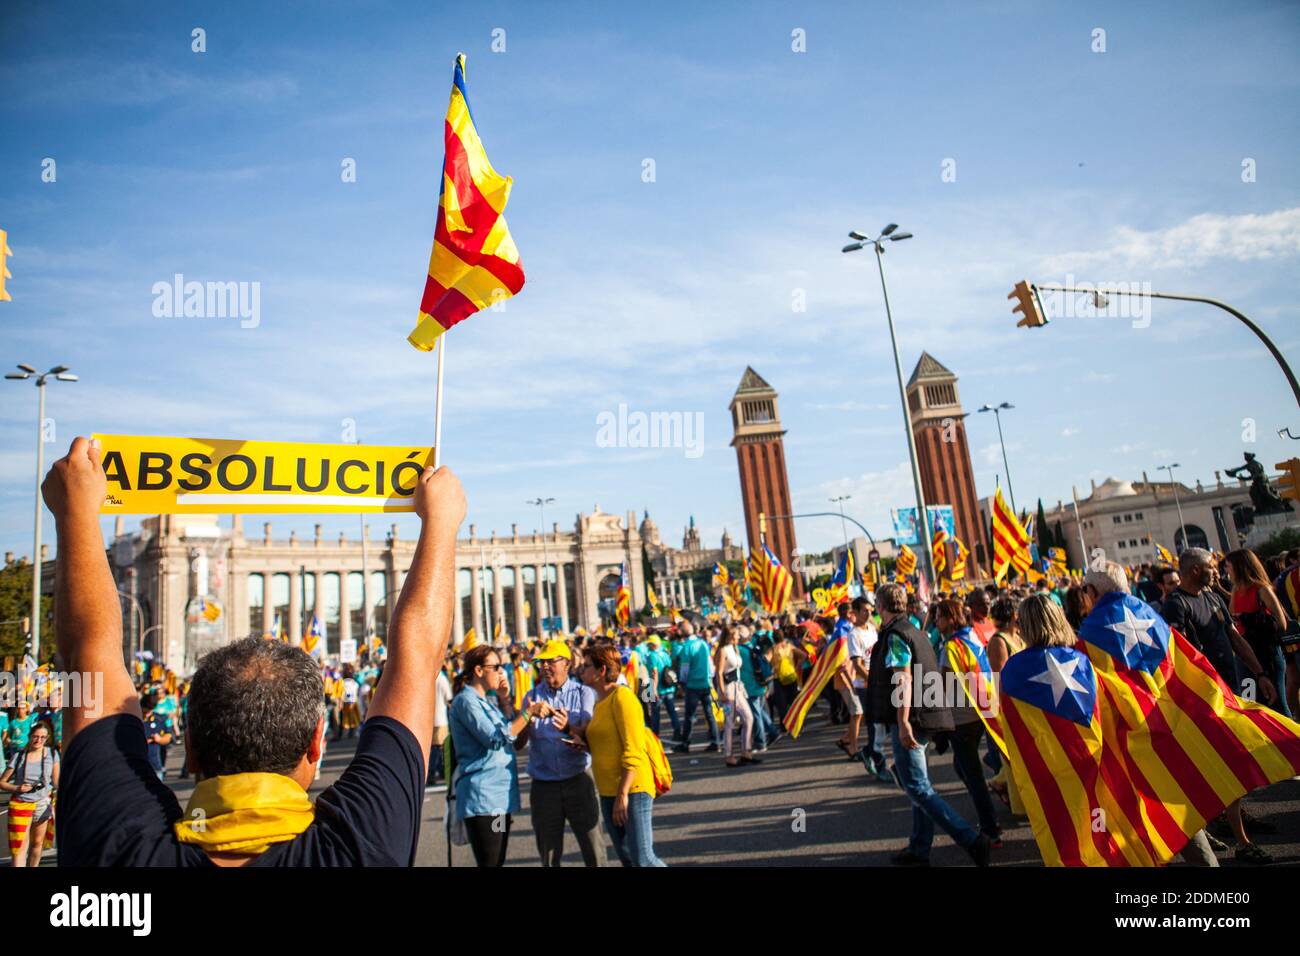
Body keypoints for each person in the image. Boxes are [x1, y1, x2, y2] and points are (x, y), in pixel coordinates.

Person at [48, 436, 467, 866]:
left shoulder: (116, 846)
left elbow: (87, 651)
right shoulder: (361, 847)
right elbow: (418, 659)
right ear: (315, 746)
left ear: (189, 746)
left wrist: (75, 514)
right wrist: (442, 524)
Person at [1090, 557, 1268, 865]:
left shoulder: (1093, 629)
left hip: (1137, 737)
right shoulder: (1149, 614)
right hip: (1176, 718)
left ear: (1092, 591)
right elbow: (1189, 661)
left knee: (1158, 810)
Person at [866, 583, 990, 867]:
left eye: (876, 603)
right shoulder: (914, 631)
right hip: (924, 715)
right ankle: (919, 848)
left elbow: (903, 679)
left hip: (912, 718)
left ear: (881, 606)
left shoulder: (897, 635)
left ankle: (971, 839)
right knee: (918, 786)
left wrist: (903, 722)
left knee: (918, 787)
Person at [449, 644, 553, 867]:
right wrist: (529, 712)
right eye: (495, 667)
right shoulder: (466, 701)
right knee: (491, 861)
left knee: (498, 859)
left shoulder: (486, 701)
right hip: (483, 797)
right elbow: (496, 738)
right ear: (478, 671)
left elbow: (511, 733)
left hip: (498, 798)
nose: (500, 672)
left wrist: (506, 699)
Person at [571, 643, 666, 866]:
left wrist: (623, 794)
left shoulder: (623, 698)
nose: (581, 670)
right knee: (627, 857)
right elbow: (605, 745)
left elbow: (633, 750)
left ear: (601, 671)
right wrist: (582, 745)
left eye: (586, 666)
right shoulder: (599, 702)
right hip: (608, 790)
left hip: (632, 788)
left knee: (643, 858)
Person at [517, 639, 606, 867]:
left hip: (578, 780)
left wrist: (569, 728)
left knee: (594, 851)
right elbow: (517, 744)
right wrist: (526, 720)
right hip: (544, 786)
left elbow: (588, 733)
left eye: (551, 661)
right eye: (541, 662)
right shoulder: (531, 697)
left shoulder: (584, 693)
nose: (545, 666)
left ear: (566, 663)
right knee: (548, 855)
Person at [932, 599, 1001, 845]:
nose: (935, 621)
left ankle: (991, 830)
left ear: (951, 619)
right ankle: (996, 797)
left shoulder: (950, 647)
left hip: (961, 719)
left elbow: (943, 686)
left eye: (939, 616)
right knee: (962, 767)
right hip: (982, 711)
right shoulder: (972, 635)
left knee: (973, 775)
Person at [1224, 549, 1292, 719]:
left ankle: (1291, 742)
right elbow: (1234, 620)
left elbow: (1281, 623)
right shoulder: (1235, 591)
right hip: (1245, 657)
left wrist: (1250, 619)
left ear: (1240, 567)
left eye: (1229, 567)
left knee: (1276, 704)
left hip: (1267, 654)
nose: (1227, 572)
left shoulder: (1262, 590)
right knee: (1252, 704)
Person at [1, 719, 58, 867]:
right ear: (30, 736)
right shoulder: (19, 756)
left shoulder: (52, 754)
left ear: (47, 738)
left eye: (42, 737)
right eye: (35, 736)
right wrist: (17, 788)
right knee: (18, 847)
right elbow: (2, 782)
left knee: (37, 843)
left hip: (42, 803)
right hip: (20, 805)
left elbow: (57, 781)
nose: (38, 740)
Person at [849, 596, 890, 783]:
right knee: (876, 724)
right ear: (855, 613)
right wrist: (873, 681)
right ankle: (878, 763)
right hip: (866, 686)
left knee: (882, 723)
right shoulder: (853, 635)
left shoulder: (873, 629)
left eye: (870, 610)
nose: (868, 613)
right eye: (864, 610)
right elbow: (857, 665)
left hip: (879, 682)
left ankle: (868, 752)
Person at [671, 622, 720, 753]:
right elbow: (710, 665)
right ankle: (716, 741)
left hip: (693, 685)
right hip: (705, 683)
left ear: (682, 632)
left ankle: (685, 743)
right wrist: (709, 678)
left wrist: (681, 684)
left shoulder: (687, 647)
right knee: (709, 714)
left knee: (690, 716)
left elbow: (685, 669)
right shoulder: (703, 644)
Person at [714, 626, 758, 767]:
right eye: (737, 635)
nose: (739, 637)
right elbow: (719, 672)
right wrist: (721, 691)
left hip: (738, 687)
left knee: (749, 717)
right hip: (728, 688)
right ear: (732, 636)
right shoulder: (723, 650)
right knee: (729, 723)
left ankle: (746, 751)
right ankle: (729, 756)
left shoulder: (735, 648)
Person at [428, 663, 454, 786]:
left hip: (429, 718)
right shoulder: (442, 679)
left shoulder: (427, 678)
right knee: (438, 748)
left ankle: (439, 771)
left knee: (434, 747)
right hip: (440, 718)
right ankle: (433, 772)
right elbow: (448, 698)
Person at [141, 692, 175, 781]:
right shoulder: (135, 718)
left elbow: (168, 737)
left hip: (155, 765)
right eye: (144, 712)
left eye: (148, 712)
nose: (146, 715)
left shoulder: (159, 719)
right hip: (138, 766)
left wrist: (159, 739)